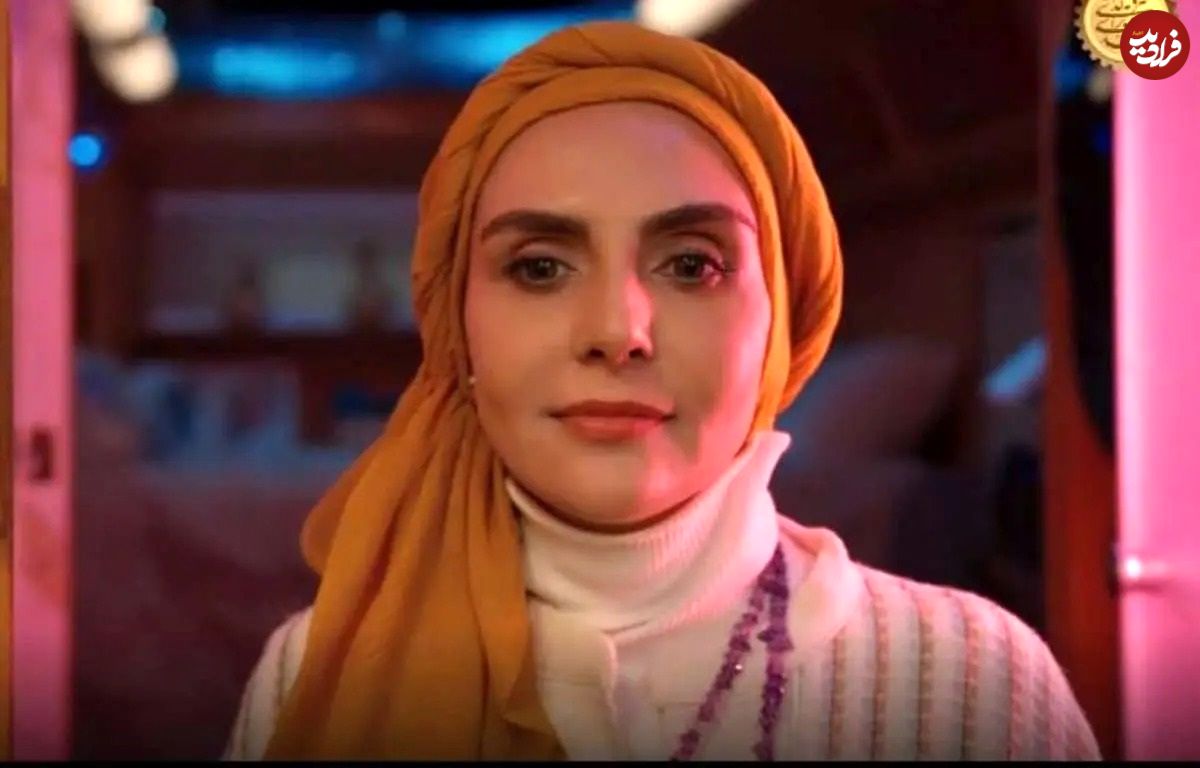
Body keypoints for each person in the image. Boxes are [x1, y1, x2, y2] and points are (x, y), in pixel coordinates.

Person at [223, 21, 1100, 761]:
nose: (618, 330)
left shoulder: (971, 685)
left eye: (691, 265)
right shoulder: (314, 676)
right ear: (458, 326)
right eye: (539, 267)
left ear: (780, 324)